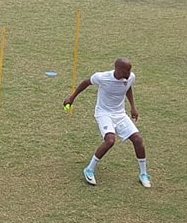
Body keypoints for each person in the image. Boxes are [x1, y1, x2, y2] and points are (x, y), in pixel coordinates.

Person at [63, 57, 151, 188]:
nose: (129, 73)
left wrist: (133, 107)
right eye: (127, 70)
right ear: (119, 69)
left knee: (138, 139)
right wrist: (72, 97)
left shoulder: (130, 77)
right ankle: (89, 169)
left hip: (120, 114)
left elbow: (128, 88)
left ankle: (143, 174)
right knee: (110, 140)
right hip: (103, 113)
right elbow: (86, 82)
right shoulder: (102, 77)